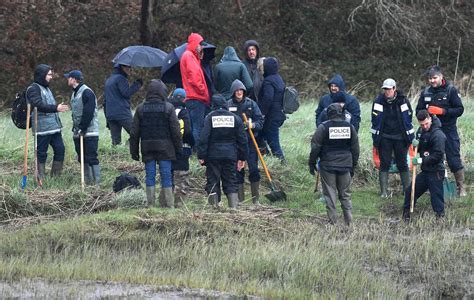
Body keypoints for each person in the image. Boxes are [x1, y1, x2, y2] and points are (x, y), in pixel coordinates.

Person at [130, 79, 182, 208]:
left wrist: (134, 152)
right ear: (162, 92)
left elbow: (134, 133)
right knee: (166, 175)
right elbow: (176, 131)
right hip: (165, 148)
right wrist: (178, 148)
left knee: (150, 176)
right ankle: (169, 206)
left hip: (147, 147)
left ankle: (151, 205)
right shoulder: (169, 108)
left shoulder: (140, 108)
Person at [416, 65, 466, 196]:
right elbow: (418, 111)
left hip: (448, 129)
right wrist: (425, 115)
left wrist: (443, 111)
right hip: (431, 131)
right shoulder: (426, 92)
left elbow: (460, 110)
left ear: (441, 77)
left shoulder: (451, 91)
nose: (432, 81)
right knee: (430, 157)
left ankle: (461, 187)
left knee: (453, 157)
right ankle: (431, 185)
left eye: (434, 78)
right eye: (430, 78)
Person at [308, 103, 359, 226]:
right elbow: (355, 149)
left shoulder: (323, 127)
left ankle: (333, 222)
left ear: (328, 114)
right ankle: (349, 221)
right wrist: (353, 165)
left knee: (330, 195)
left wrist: (312, 162)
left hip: (328, 165)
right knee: (345, 194)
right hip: (346, 165)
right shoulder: (350, 127)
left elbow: (315, 147)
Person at [197, 94, 248, 209]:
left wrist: (201, 155)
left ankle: (213, 208)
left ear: (213, 105)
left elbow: (203, 138)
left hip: (213, 156)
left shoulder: (209, 117)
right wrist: (242, 158)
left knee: (213, 181)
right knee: (231, 180)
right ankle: (233, 208)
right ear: (225, 104)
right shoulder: (235, 118)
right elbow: (243, 140)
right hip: (230, 155)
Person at [371, 78, 414, 197]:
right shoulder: (378, 101)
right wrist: (376, 139)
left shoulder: (403, 100)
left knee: (402, 163)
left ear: (394, 89)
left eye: (389, 89)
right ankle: (384, 192)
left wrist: (409, 137)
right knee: (384, 163)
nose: (387, 91)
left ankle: (407, 191)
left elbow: (408, 118)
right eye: (385, 89)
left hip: (400, 137)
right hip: (384, 137)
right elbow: (375, 120)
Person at [27, 64, 70, 178]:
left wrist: (56, 108)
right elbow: (38, 105)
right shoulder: (33, 88)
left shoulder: (46, 88)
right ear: (42, 75)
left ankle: (55, 178)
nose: (51, 77)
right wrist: (56, 108)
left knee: (60, 149)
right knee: (41, 154)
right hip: (42, 129)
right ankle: (40, 178)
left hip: (54, 127)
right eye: (49, 75)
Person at [403, 110, 446, 220]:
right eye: (422, 124)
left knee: (436, 197)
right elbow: (418, 148)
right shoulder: (420, 132)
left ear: (430, 119)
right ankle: (406, 216)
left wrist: (422, 160)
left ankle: (440, 219)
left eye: (426, 123)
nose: (425, 126)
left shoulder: (438, 135)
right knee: (410, 192)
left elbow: (438, 155)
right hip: (425, 171)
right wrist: (414, 145)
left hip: (436, 171)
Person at [227, 79, 264, 204]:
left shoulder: (251, 104)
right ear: (233, 92)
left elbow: (260, 121)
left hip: (250, 141)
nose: (239, 92)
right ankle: (240, 200)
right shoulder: (228, 105)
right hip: (235, 143)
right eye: (236, 90)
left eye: (241, 90)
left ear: (244, 91)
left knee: (253, 169)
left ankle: (256, 200)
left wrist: (252, 125)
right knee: (238, 170)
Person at [65, 70, 100, 185]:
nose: (67, 79)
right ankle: (87, 182)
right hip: (78, 132)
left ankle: (97, 184)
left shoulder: (87, 92)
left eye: (68, 77)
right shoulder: (74, 93)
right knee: (82, 157)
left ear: (74, 79)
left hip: (89, 132)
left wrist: (83, 128)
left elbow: (88, 111)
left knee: (91, 157)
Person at [180, 32, 210, 145]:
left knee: (193, 126)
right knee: (198, 127)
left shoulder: (190, 56)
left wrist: (199, 58)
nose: (201, 47)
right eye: (200, 44)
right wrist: (203, 91)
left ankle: (192, 150)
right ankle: (198, 152)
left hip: (191, 97)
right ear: (195, 44)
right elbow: (194, 78)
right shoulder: (189, 56)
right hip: (196, 97)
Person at [104, 63, 143, 146]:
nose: (130, 68)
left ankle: (116, 157)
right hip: (122, 113)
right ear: (122, 67)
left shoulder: (109, 80)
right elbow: (126, 93)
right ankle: (127, 145)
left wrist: (107, 117)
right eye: (128, 66)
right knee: (137, 132)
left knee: (115, 142)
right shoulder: (120, 78)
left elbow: (105, 100)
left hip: (110, 114)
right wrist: (137, 84)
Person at [258, 57, 286, 162]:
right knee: (260, 136)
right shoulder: (279, 78)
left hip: (271, 116)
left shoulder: (268, 81)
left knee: (274, 142)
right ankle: (267, 157)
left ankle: (282, 163)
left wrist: (262, 113)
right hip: (279, 114)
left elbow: (268, 98)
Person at [169, 88, 194, 205]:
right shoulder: (184, 112)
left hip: (168, 149)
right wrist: (192, 144)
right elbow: (188, 131)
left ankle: (166, 203)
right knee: (181, 179)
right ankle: (180, 204)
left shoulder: (167, 109)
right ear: (185, 99)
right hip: (183, 149)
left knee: (168, 177)